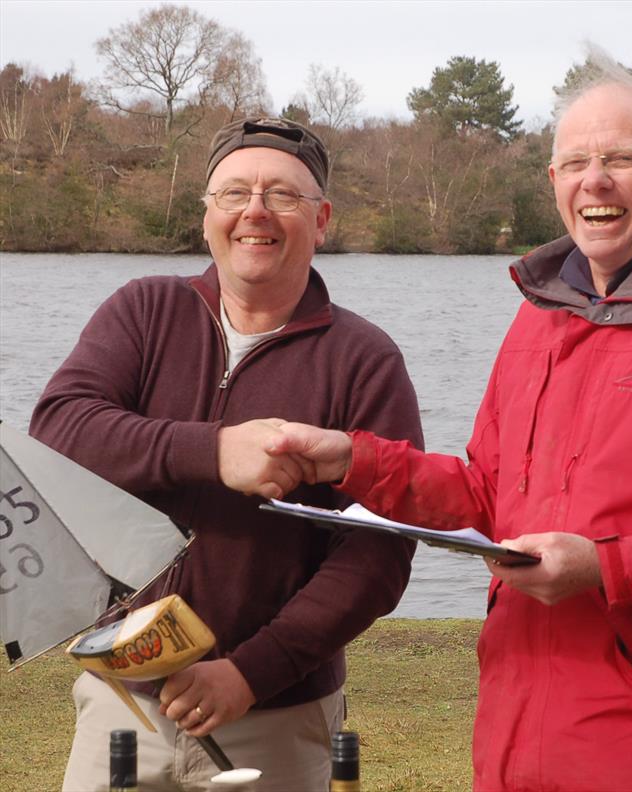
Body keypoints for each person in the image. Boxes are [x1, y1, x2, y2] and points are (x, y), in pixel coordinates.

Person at [260, 53, 632, 791]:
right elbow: (487, 499)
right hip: (514, 729)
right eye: (575, 161)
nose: (595, 180)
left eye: (621, 159)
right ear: (553, 185)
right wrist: (349, 461)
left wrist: (605, 569)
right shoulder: (540, 314)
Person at [29, 117, 423, 792]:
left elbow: (379, 554)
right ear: (207, 215)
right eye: (234, 193)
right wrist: (211, 451)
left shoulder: (366, 361)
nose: (256, 213)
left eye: (283, 196)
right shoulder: (142, 311)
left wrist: (252, 671)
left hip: (276, 714)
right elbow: (60, 429)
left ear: (322, 219)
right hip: (122, 702)